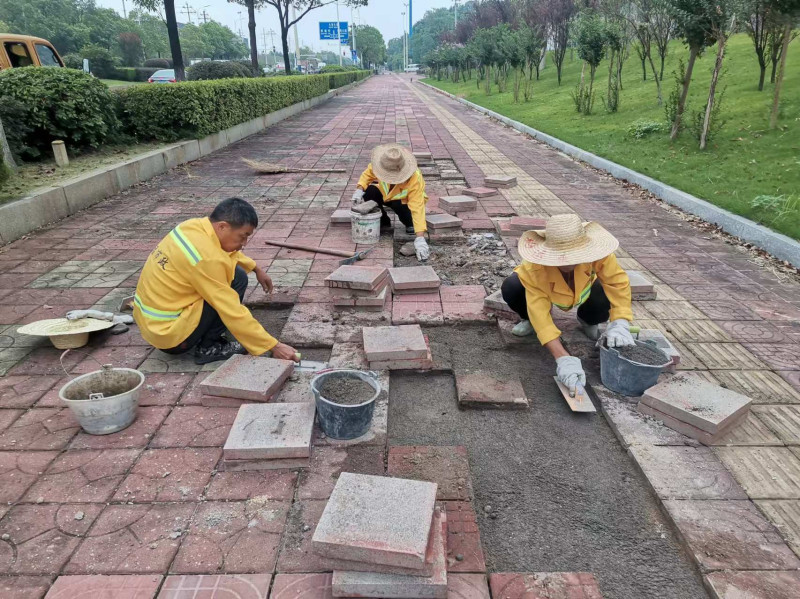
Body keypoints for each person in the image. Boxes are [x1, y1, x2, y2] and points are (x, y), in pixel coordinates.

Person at [133, 198, 298, 365]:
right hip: (170, 337)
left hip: (151, 323)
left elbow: (221, 251)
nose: (243, 243)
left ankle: (203, 332)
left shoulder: (193, 226)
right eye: (242, 236)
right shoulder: (205, 259)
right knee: (224, 296)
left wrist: (255, 268)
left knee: (237, 275)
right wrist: (274, 346)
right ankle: (208, 348)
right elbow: (230, 308)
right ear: (222, 226)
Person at [500, 214, 636, 397]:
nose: (569, 262)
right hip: (543, 297)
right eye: (562, 257)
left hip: (584, 291)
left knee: (604, 293)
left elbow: (617, 283)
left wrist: (620, 321)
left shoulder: (598, 253)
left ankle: (588, 319)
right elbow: (539, 311)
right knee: (513, 287)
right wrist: (563, 358)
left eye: (574, 256)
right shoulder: (534, 267)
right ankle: (528, 320)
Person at [352, 144, 430, 261]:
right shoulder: (381, 164)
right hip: (387, 195)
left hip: (404, 204)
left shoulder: (414, 178)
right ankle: (383, 221)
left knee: (399, 204)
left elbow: (417, 208)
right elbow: (367, 175)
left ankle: (409, 223)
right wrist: (359, 189)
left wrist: (420, 238)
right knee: (370, 191)